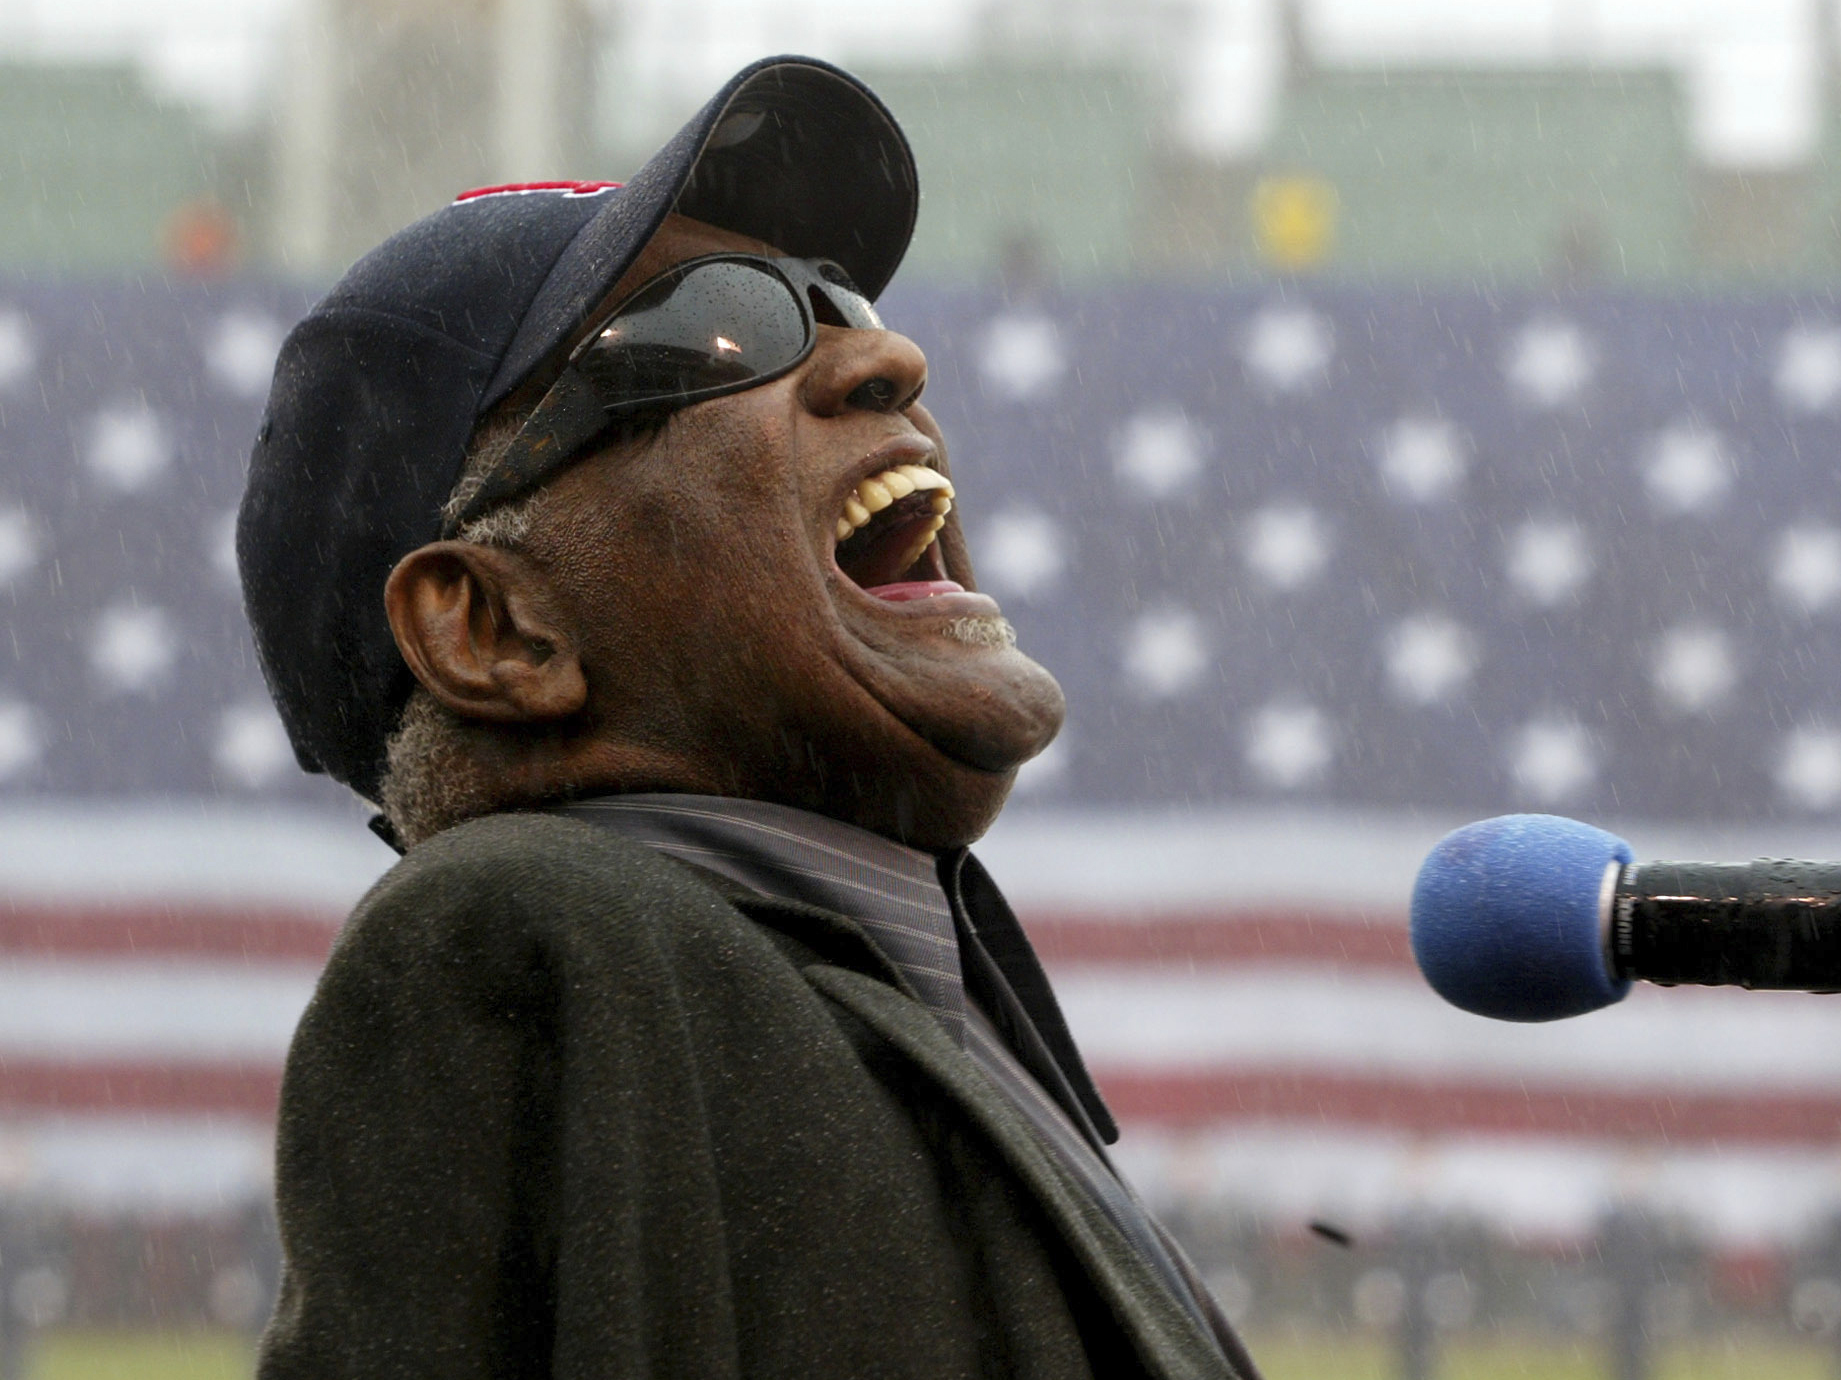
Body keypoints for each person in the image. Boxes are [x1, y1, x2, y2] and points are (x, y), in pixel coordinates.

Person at [238, 55, 1261, 1380]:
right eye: (717, 323)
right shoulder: (522, 938)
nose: (886, 356)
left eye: (835, 302)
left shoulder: (853, 993)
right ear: (496, 632)